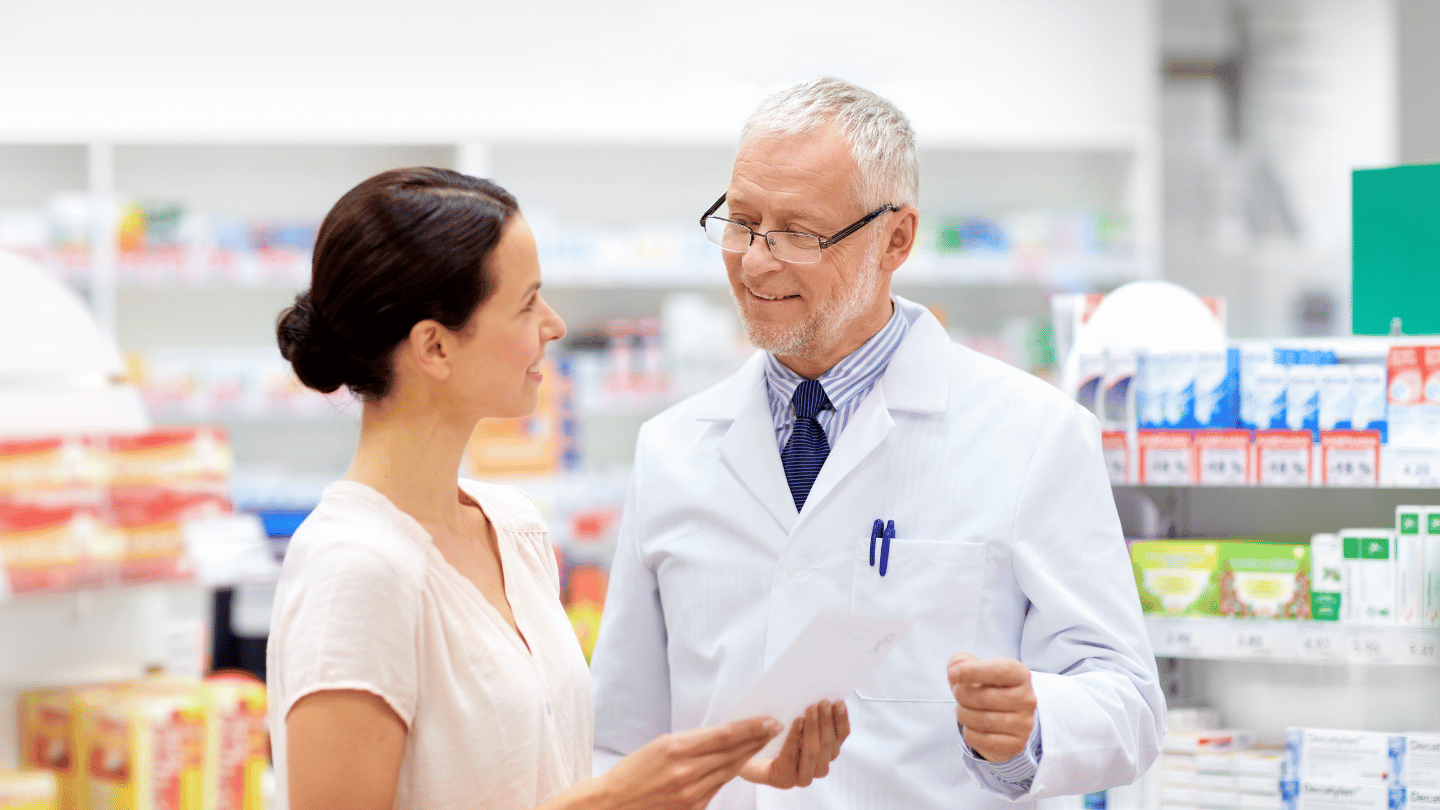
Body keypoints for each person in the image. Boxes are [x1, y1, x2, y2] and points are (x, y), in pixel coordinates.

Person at [589, 78, 1166, 810]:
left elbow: (1131, 702)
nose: (757, 261)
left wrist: (1030, 725)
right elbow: (622, 735)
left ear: (896, 238)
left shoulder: (1032, 434)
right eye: (741, 221)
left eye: (799, 232)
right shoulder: (670, 449)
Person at [267, 167, 844, 810]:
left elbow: (534, 775)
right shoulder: (356, 569)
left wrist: (717, 770)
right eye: (526, 303)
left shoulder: (511, 528)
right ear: (434, 347)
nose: (555, 324)